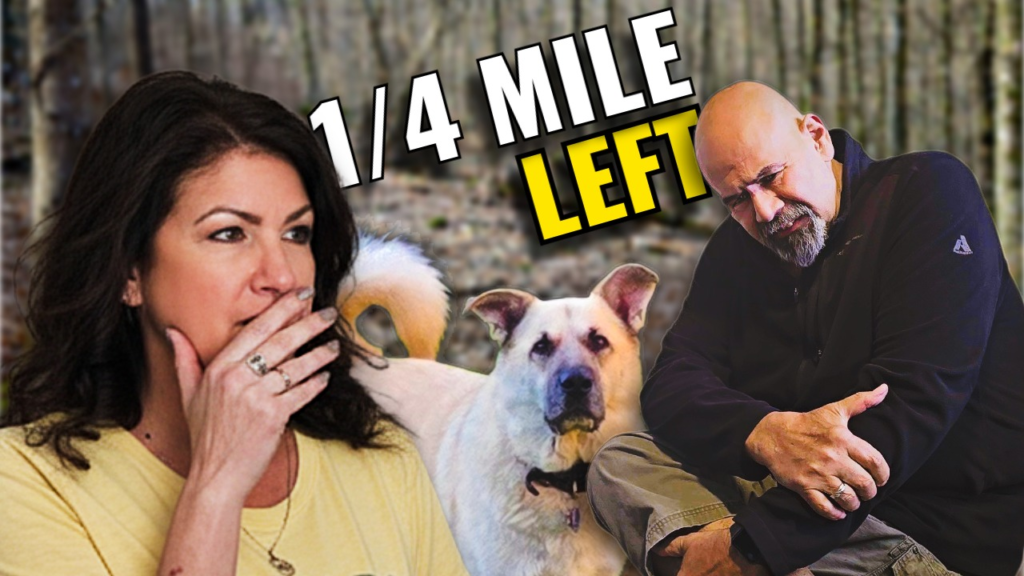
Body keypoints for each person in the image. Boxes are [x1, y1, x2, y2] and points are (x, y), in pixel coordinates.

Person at [0, 71, 468, 576]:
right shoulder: (25, 483)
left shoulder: (384, 460)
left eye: (296, 233)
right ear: (129, 272)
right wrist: (216, 484)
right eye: (229, 233)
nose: (282, 276)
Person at [587, 81, 1024, 576]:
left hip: (924, 531)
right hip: (786, 499)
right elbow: (672, 385)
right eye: (736, 200)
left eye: (771, 177)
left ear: (816, 137)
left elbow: (908, 411)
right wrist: (763, 433)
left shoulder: (928, 191)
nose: (765, 212)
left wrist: (749, 550)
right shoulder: (737, 249)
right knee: (620, 462)